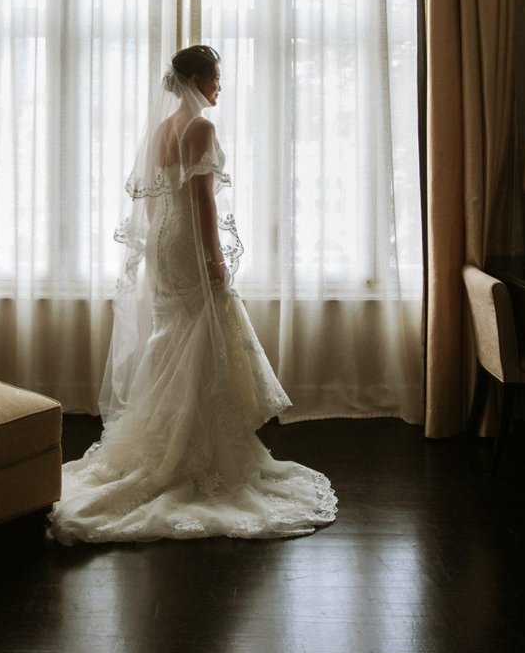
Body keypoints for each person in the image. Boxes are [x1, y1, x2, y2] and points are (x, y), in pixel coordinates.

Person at [47, 45, 337, 544]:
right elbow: (202, 201)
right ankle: (191, 449)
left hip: (165, 243)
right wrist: (215, 259)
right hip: (189, 245)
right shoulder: (200, 127)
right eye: (217, 78)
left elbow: (158, 203)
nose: (220, 86)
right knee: (200, 332)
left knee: (174, 336)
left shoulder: (162, 130)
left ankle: (166, 442)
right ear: (198, 79)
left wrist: (164, 250)